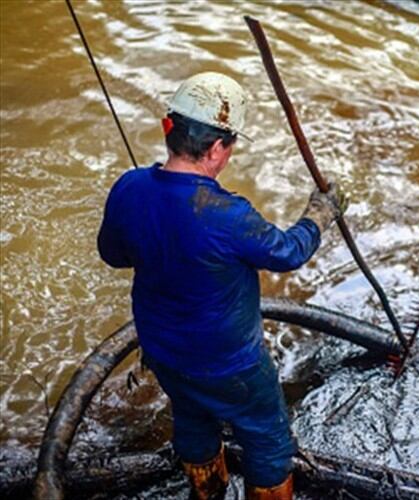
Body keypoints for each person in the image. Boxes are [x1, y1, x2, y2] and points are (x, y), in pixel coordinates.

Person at [97, 72, 345, 499]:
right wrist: (319, 214)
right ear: (216, 148)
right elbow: (287, 252)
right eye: (229, 146)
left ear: (167, 129)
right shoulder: (229, 214)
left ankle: (207, 490)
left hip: (163, 350)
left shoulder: (129, 187)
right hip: (230, 364)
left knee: (192, 417)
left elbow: (113, 255)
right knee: (267, 436)